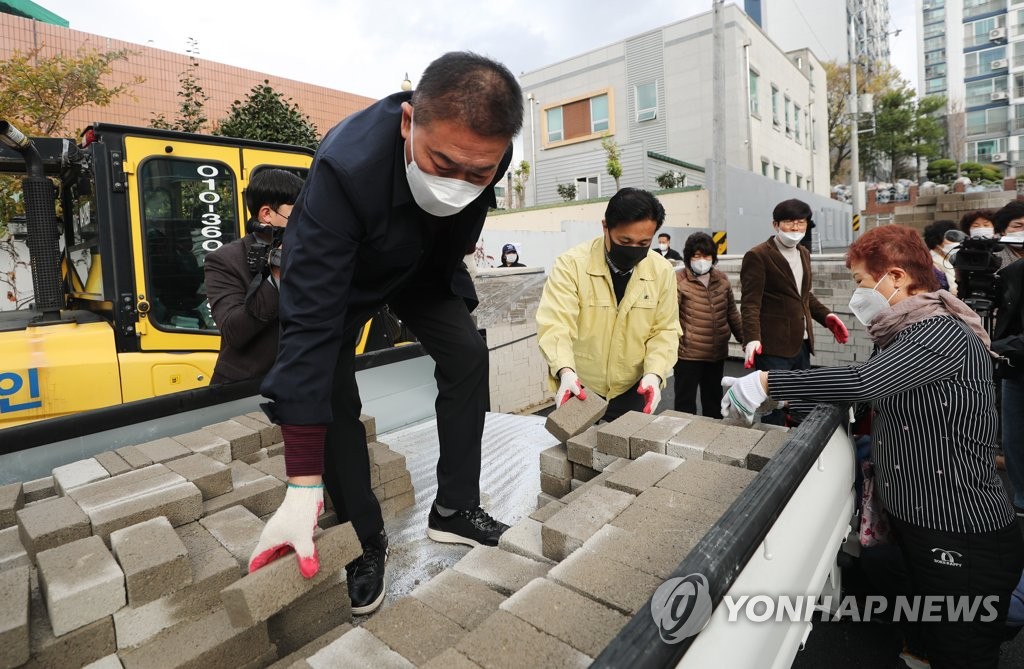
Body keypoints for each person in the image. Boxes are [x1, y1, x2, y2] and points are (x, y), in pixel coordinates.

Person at [248, 52, 523, 616]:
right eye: (443, 163)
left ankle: (454, 510)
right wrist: (301, 483)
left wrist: (454, 251)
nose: (459, 182)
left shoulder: (489, 150)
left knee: (468, 352)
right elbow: (307, 326)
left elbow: (458, 224)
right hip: (346, 278)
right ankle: (363, 537)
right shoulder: (343, 172)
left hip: (420, 267)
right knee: (330, 389)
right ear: (407, 123)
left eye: (479, 172)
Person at [722, 225, 1024, 669]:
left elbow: (864, 382)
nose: (859, 294)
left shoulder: (936, 333)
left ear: (896, 278)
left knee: (964, 649)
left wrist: (770, 382)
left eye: (863, 282)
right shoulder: (904, 332)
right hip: (925, 519)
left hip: (961, 527)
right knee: (932, 631)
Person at [536, 188, 681, 422]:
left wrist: (654, 374)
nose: (633, 249)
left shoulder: (661, 271)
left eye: (644, 242)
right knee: (572, 453)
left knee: (629, 454)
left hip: (634, 387)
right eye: (625, 241)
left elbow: (665, 330)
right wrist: (565, 371)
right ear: (606, 227)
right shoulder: (571, 265)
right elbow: (555, 325)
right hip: (580, 386)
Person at [739, 198, 849, 425]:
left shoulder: (803, 253)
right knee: (774, 406)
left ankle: (799, 449)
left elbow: (804, 295)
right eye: (790, 222)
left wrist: (827, 317)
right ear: (775, 224)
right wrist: (751, 339)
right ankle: (770, 452)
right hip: (773, 347)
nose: (796, 228)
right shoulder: (758, 255)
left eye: (801, 222)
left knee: (801, 401)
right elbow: (751, 303)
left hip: (802, 343)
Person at [204, 169, 303, 384]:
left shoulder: (309, 253)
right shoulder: (225, 260)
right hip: (247, 386)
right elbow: (234, 331)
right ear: (266, 214)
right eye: (297, 216)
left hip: (304, 383)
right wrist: (277, 273)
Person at [674, 232, 743, 417]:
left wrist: (746, 340)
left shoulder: (721, 280)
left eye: (706, 256)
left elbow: (732, 314)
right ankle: (683, 440)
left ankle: (711, 438)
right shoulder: (678, 281)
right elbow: (670, 318)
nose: (702, 260)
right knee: (684, 403)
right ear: (689, 257)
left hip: (716, 353)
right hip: (688, 354)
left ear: (713, 257)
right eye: (696, 256)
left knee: (714, 402)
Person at [992, 201, 1024, 517]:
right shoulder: (1003, 268)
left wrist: (994, 345)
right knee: (1014, 445)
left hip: (1010, 353)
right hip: (1015, 373)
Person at [922, 219, 959, 294]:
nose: (955, 242)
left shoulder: (953, 260)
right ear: (937, 241)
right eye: (950, 239)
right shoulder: (929, 265)